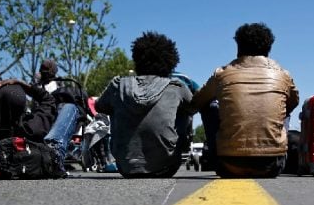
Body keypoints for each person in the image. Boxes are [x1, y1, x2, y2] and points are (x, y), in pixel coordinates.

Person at [188, 22, 299, 178]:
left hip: (228, 165)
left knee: (208, 105)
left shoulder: (221, 74)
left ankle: (219, 152)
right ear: (269, 49)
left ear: (238, 47)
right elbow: (293, 103)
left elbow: (197, 102)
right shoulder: (283, 75)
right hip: (272, 165)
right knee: (284, 108)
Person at [95, 32, 192, 178]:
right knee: (185, 109)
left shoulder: (118, 85)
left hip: (126, 167)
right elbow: (196, 106)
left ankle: (127, 149)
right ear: (171, 61)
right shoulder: (176, 87)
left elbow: (99, 107)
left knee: (113, 105)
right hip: (166, 167)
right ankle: (180, 147)